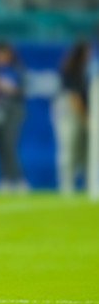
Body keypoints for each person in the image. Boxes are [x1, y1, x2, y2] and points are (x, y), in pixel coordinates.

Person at [0, 42, 27, 193]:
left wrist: (7, 87)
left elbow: (21, 91)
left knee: (9, 144)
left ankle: (18, 179)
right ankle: (4, 179)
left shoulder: (16, 70)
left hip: (12, 112)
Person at [52, 40, 90, 194]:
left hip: (82, 111)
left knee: (85, 150)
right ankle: (66, 185)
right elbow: (74, 96)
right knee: (68, 147)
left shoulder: (87, 69)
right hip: (69, 110)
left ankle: (88, 183)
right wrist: (85, 117)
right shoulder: (72, 68)